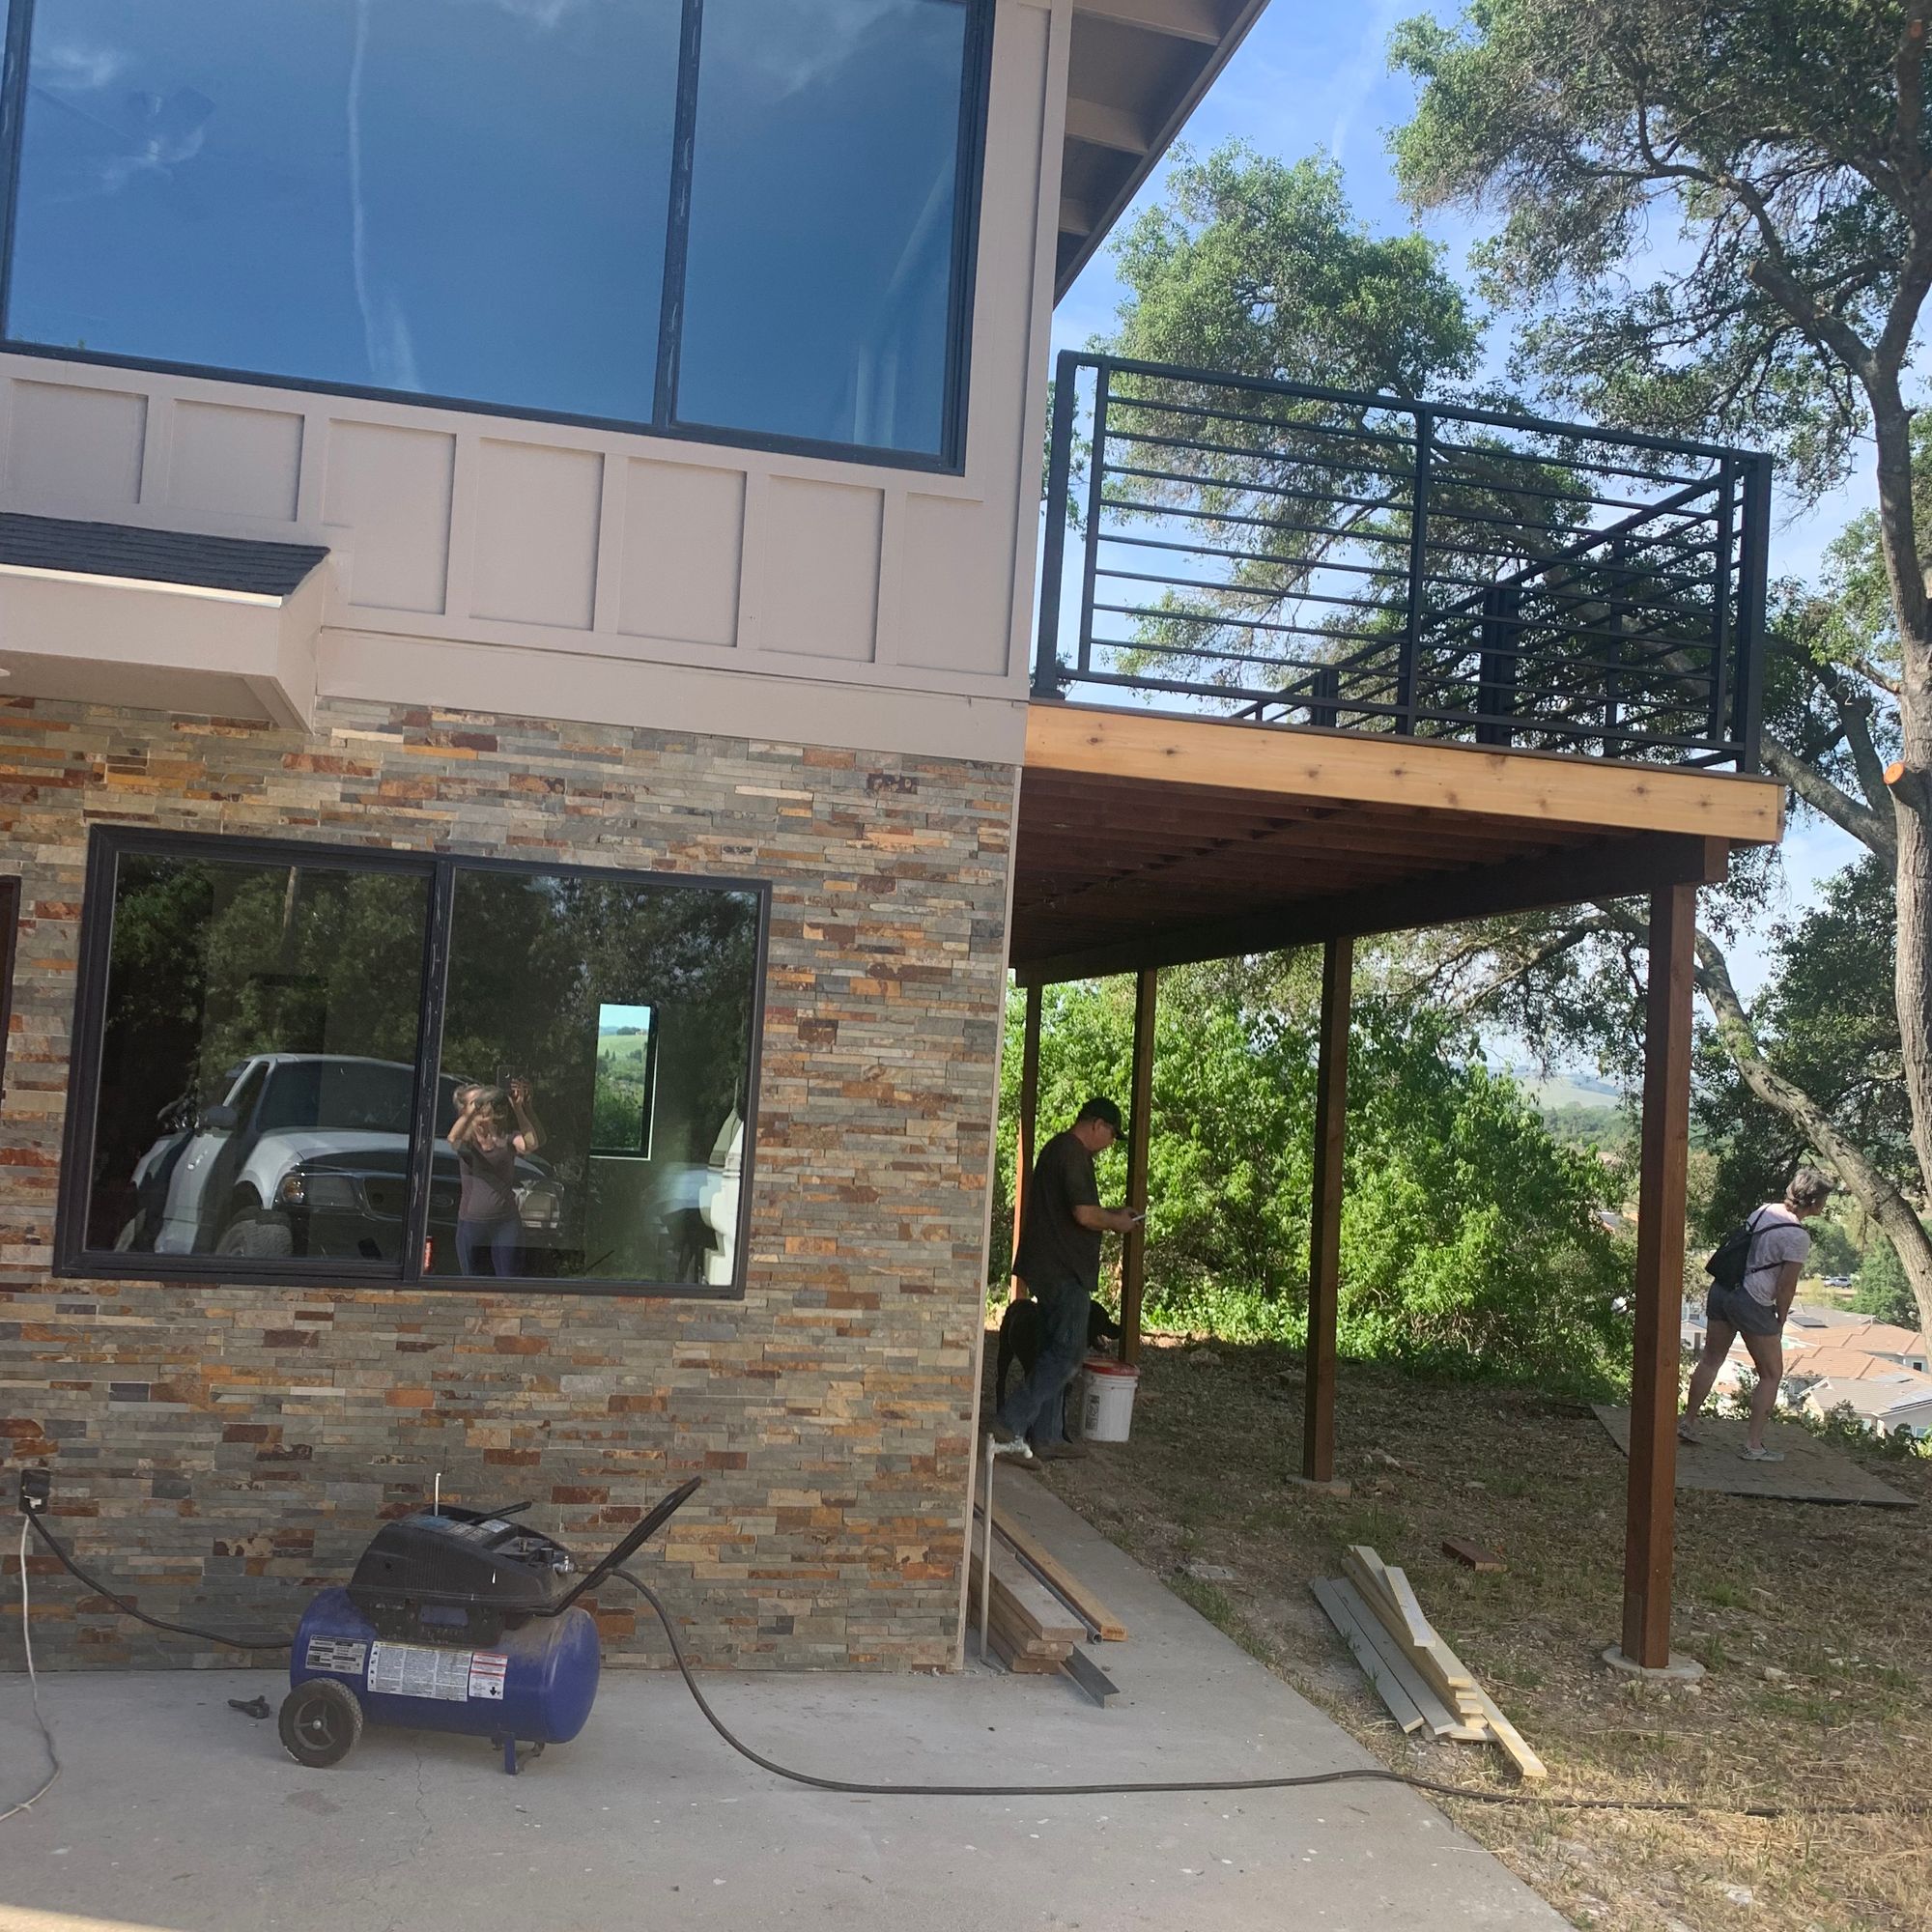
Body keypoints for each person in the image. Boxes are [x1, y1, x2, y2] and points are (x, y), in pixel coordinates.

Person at [992, 1096, 1141, 1462]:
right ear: (1096, 1125)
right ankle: (1009, 1424)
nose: (1110, 1143)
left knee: (1050, 1349)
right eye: (1111, 1134)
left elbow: (1079, 1211)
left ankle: (1046, 1436)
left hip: (1047, 1265)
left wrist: (1111, 1212)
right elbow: (1084, 1215)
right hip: (1063, 1270)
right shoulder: (1072, 1154)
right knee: (1067, 1354)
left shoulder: (1058, 1150)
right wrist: (1118, 1222)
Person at [1681, 1166, 1833, 1461]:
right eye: (1823, 1200)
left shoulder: (1765, 1210)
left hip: (1723, 1289)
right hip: (1753, 1301)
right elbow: (1786, 1285)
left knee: (1711, 1359)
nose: (1824, 1206)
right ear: (1814, 1202)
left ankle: (1688, 1422)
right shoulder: (1798, 1237)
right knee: (1771, 1374)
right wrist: (1781, 1318)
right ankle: (1753, 1445)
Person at [447, 1078, 542, 1277]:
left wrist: (518, 1108)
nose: (484, 1104)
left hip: (505, 1222)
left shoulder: (504, 1136)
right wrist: (471, 1113)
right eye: (477, 1101)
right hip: (472, 1223)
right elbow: (453, 1140)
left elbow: (531, 1144)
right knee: (473, 1283)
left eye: (485, 1100)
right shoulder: (468, 1141)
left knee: (509, 1282)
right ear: (465, 1109)